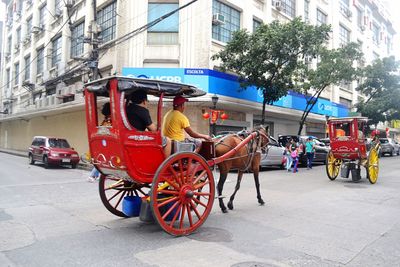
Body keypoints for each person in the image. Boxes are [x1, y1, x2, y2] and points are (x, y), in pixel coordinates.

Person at [126, 90, 171, 157]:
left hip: (129, 136)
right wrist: (158, 127)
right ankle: (165, 163)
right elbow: (153, 130)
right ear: (144, 101)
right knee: (167, 141)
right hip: (137, 138)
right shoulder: (143, 111)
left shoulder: (127, 108)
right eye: (147, 101)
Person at [88, 102, 111, 182]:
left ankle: (94, 175)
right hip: (108, 143)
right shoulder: (110, 121)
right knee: (103, 161)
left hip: (103, 143)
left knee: (101, 161)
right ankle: (94, 175)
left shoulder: (105, 121)